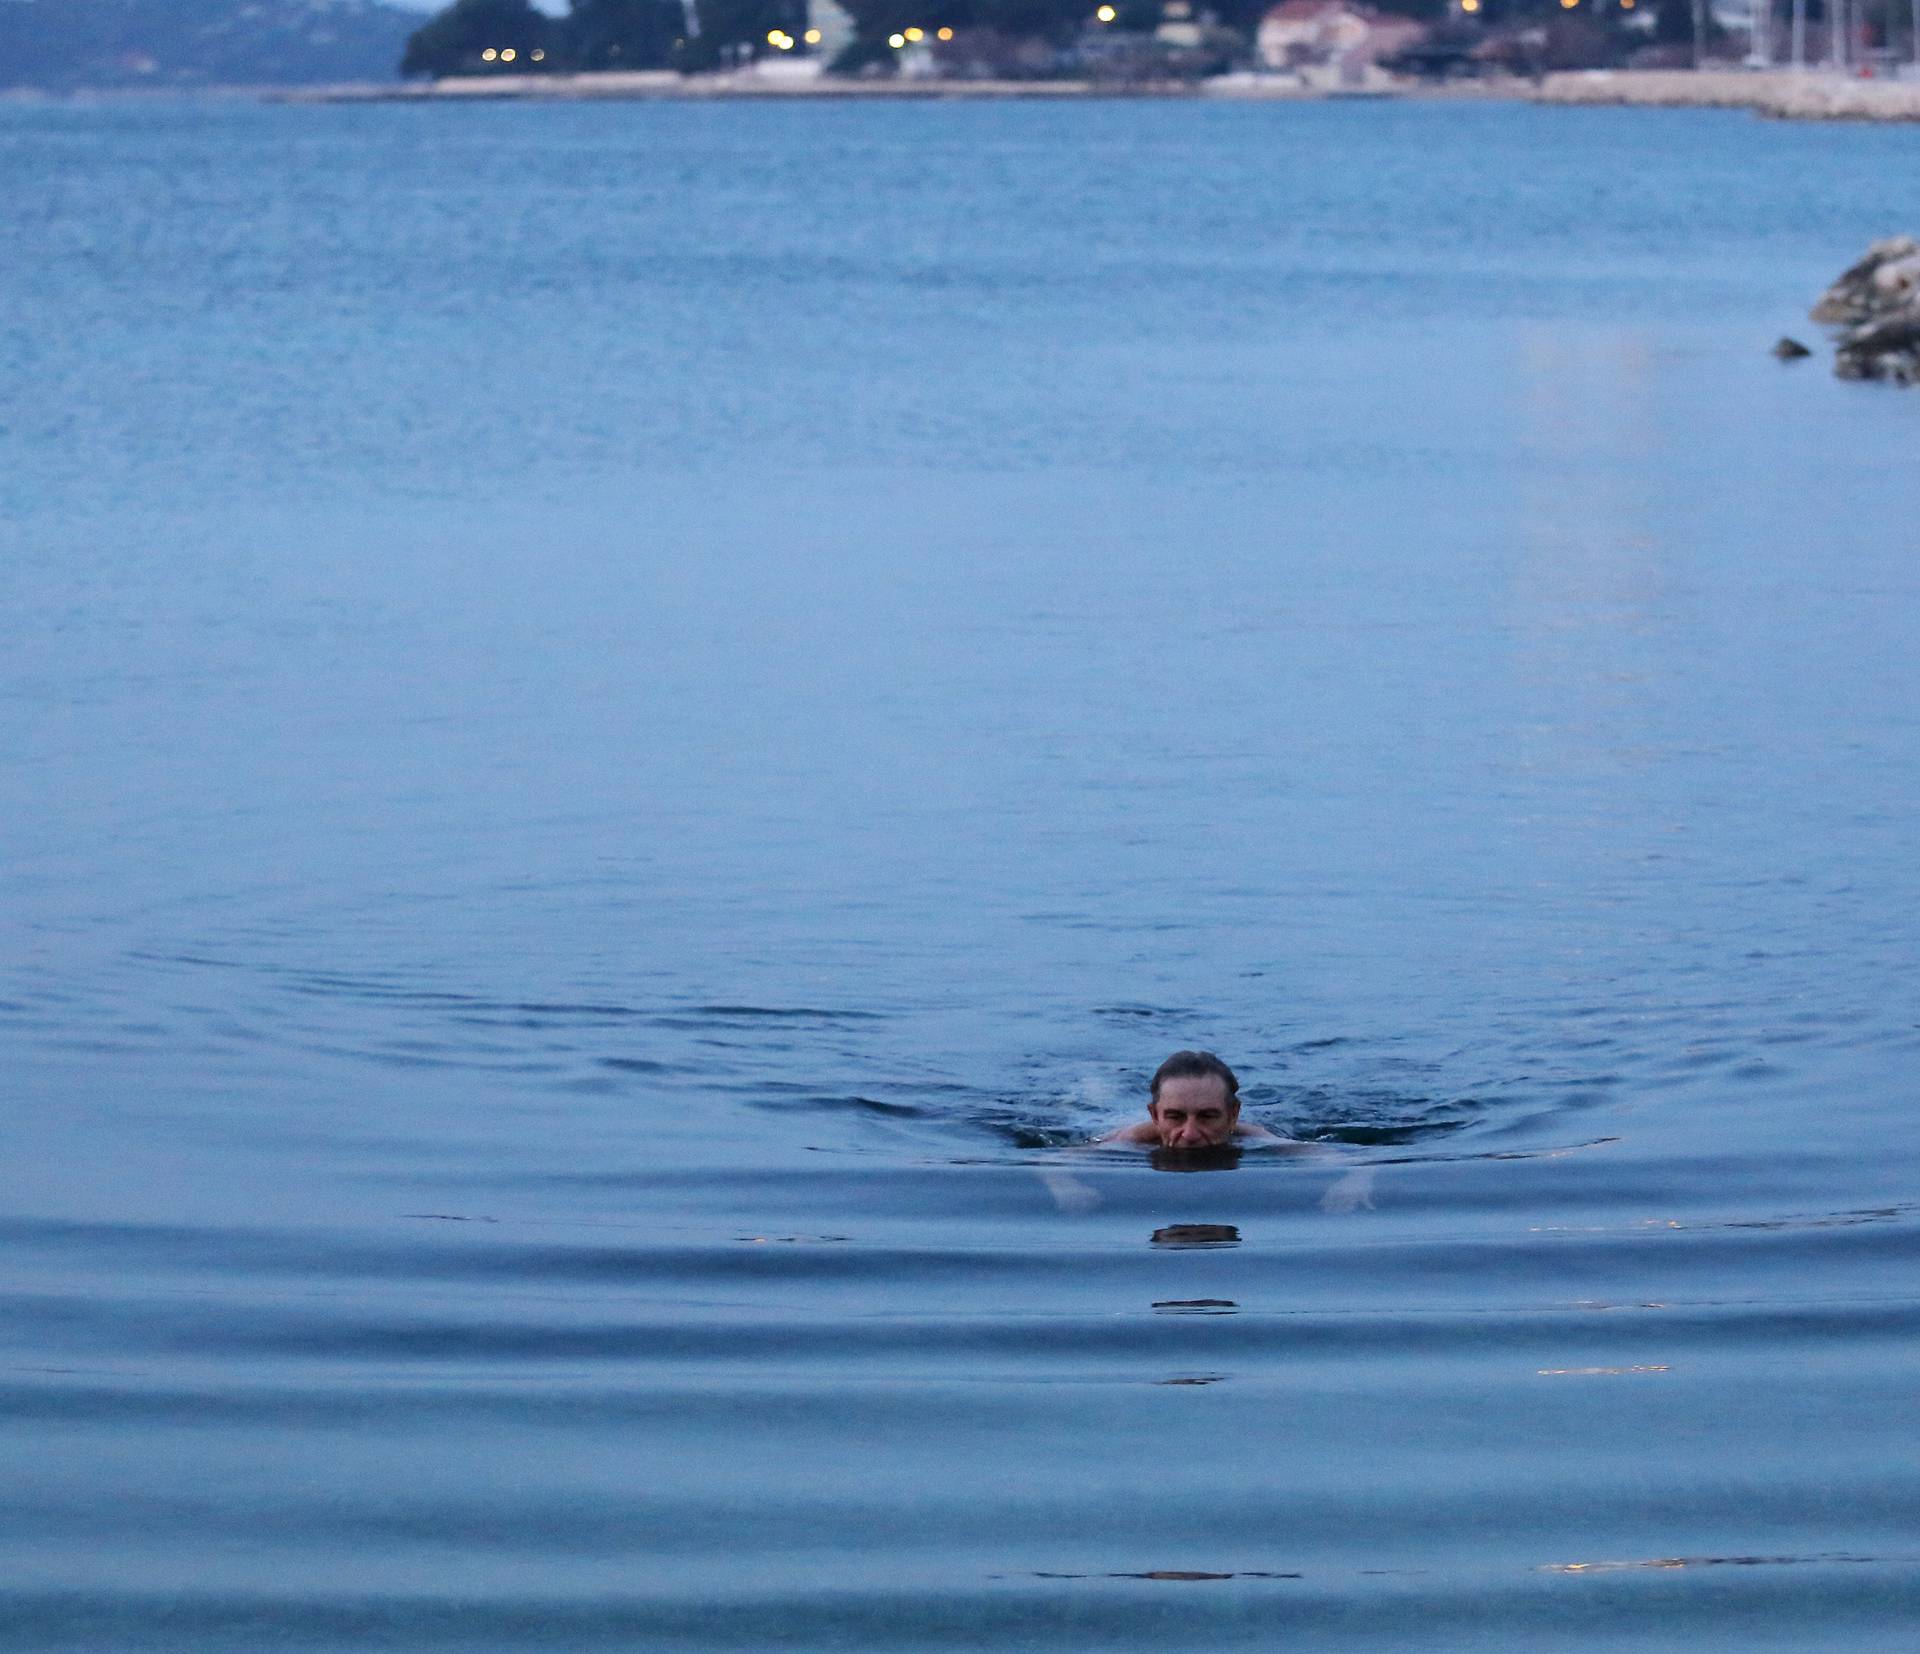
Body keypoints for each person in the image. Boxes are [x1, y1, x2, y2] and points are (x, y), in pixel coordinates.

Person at [1099, 1049, 1299, 1151]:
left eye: (1207, 1116)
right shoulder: (1126, 1140)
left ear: (1233, 1115)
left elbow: (1321, 1157)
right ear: (1154, 1116)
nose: (1190, 1134)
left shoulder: (1258, 1136)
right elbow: (1071, 1161)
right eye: (1175, 1117)